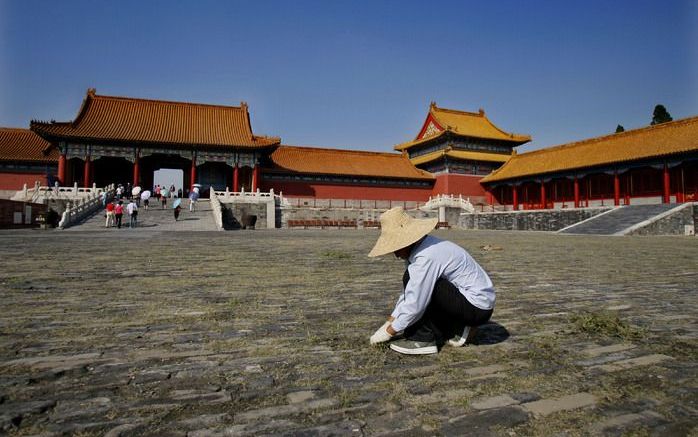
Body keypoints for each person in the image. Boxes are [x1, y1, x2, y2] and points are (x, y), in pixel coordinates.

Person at [368, 207, 495, 355]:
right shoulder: (421, 248)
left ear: (407, 242)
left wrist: (389, 332)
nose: (395, 254)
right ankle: (458, 327)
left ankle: (423, 339)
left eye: (396, 248)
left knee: (426, 287)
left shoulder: (426, 256)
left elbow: (416, 303)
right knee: (412, 279)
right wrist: (390, 321)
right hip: (470, 303)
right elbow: (407, 293)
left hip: (477, 307)